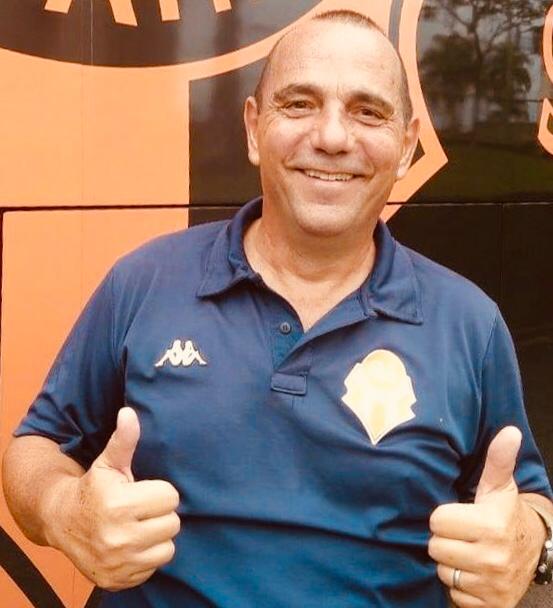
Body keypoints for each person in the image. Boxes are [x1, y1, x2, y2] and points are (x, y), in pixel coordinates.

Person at [3, 10, 553, 608]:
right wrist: (62, 509)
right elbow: (36, 447)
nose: (333, 137)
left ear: (405, 146)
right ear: (253, 128)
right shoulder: (144, 282)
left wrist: (532, 544)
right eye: (299, 104)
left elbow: (527, 499)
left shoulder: (469, 323)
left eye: (368, 112)